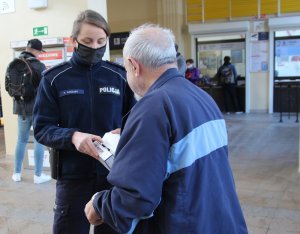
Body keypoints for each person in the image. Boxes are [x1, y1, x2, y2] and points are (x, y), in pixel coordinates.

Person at [84, 24, 248, 234]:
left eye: (126, 69)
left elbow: (136, 198)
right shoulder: (202, 98)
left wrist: (99, 205)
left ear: (134, 66)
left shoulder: (152, 108)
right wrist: (136, 139)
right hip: (220, 222)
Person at [33, 10, 135, 234]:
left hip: (113, 177)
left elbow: (136, 120)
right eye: (88, 41)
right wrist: (73, 136)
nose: (95, 47)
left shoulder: (119, 76)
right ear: (74, 41)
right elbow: (42, 128)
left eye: (101, 41)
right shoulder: (54, 79)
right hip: (72, 177)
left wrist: (124, 131)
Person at [7, 39, 51, 184]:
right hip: (37, 108)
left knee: (21, 140)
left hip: (20, 108)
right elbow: (46, 89)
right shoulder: (39, 65)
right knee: (39, 140)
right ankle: (38, 175)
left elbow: (8, 86)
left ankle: (16, 174)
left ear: (26, 48)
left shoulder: (13, 64)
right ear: (38, 51)